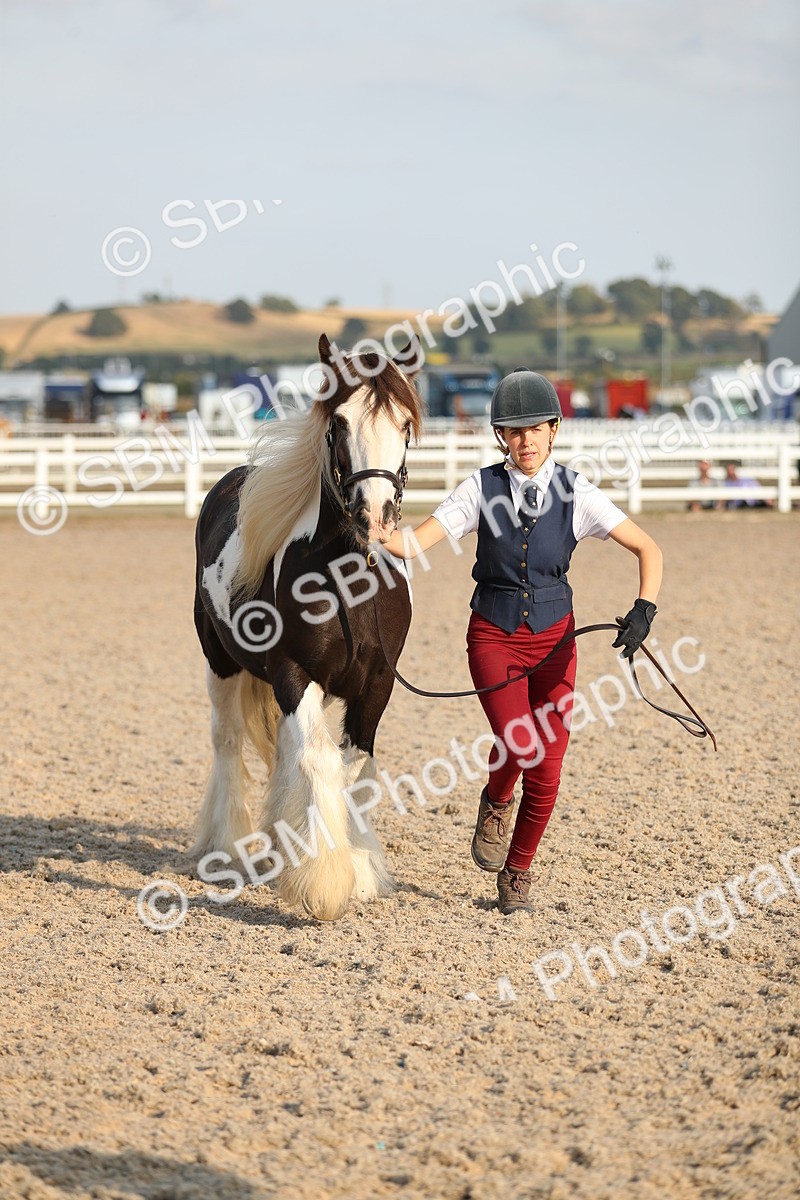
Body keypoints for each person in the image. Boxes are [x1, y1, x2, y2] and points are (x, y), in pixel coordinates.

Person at [380, 368, 663, 915]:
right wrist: (372, 530)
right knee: (522, 742)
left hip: (558, 642)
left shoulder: (576, 491)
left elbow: (648, 549)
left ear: (554, 430)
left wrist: (644, 610)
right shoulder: (478, 489)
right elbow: (415, 544)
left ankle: (518, 873)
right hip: (494, 636)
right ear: (500, 437)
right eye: (513, 431)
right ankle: (497, 798)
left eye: (535, 429)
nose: (525, 441)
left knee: (549, 767)